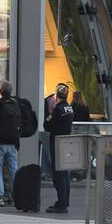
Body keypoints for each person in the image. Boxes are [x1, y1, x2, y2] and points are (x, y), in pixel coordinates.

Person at [43, 82, 74, 213]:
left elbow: (47, 125)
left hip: (57, 142)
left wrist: (49, 113)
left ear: (57, 95)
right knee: (65, 173)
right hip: (66, 142)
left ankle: (61, 204)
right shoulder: (69, 108)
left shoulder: (58, 109)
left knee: (58, 174)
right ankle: (65, 201)